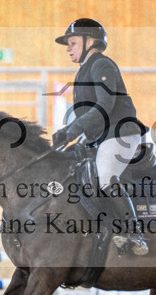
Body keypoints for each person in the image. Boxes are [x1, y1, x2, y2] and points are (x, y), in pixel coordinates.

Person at [52, 18, 149, 256]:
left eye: (72, 42)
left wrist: (71, 131)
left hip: (120, 133)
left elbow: (104, 106)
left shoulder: (102, 65)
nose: (68, 48)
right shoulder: (85, 70)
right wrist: (71, 137)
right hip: (99, 137)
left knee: (106, 176)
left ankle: (134, 232)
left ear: (90, 42)